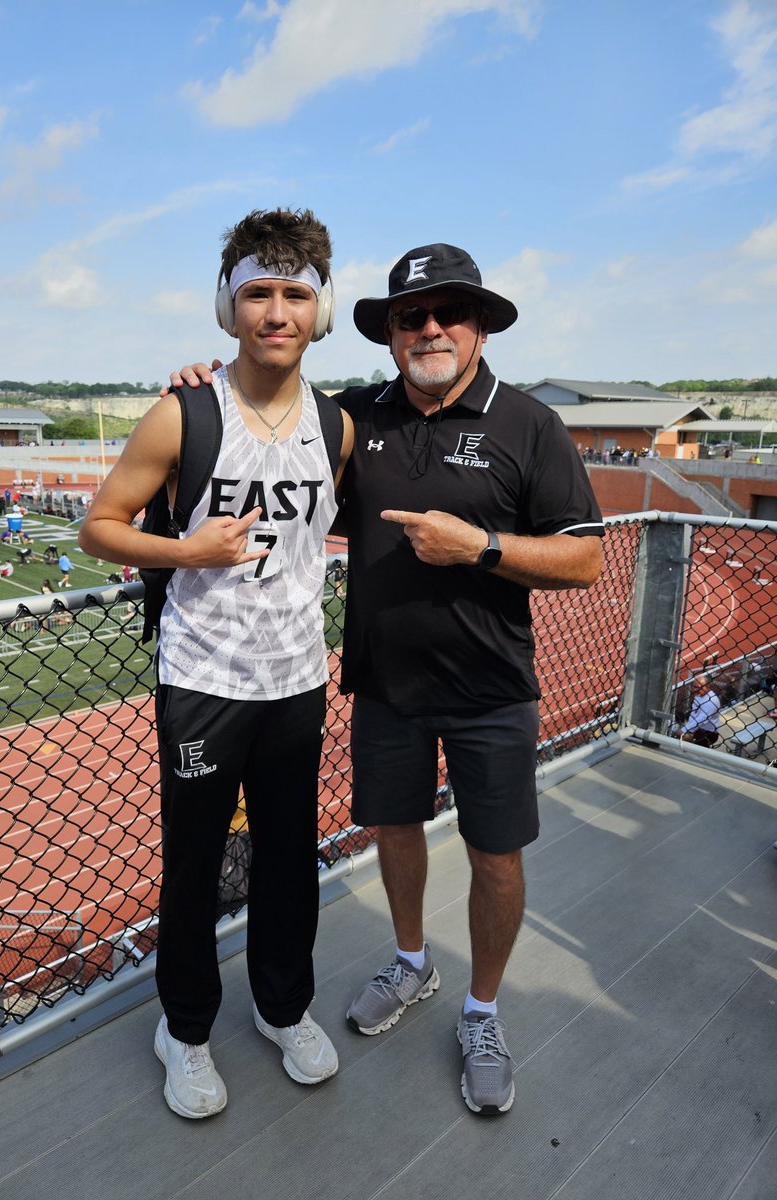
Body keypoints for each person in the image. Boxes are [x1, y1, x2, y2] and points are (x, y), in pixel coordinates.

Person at [172, 241, 604, 1116]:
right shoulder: (353, 416)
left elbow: (586, 558)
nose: (430, 328)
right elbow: (265, 413)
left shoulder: (529, 423)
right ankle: (412, 962)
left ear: (480, 327)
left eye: (450, 313)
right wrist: (201, 389)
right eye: (411, 316)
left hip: (491, 690)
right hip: (385, 687)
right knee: (395, 832)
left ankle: (482, 1011)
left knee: (495, 855)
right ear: (390, 333)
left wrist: (479, 547)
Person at [79, 207, 353, 1121]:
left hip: (297, 680)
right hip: (203, 680)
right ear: (228, 307)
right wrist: (184, 552)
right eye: (258, 294)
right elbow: (98, 527)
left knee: (289, 858)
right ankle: (186, 1029)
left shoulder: (338, 427)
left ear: (319, 310)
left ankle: (283, 1007)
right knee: (194, 865)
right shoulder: (183, 412)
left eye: (295, 295)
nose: (277, 312)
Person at [677, 674, 721, 747]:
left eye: (698, 687)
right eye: (694, 687)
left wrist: (684, 730)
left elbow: (702, 720)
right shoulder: (699, 695)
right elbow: (694, 714)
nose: (695, 690)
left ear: (708, 687)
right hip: (698, 728)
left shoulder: (712, 700)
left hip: (708, 732)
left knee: (683, 740)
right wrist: (687, 727)